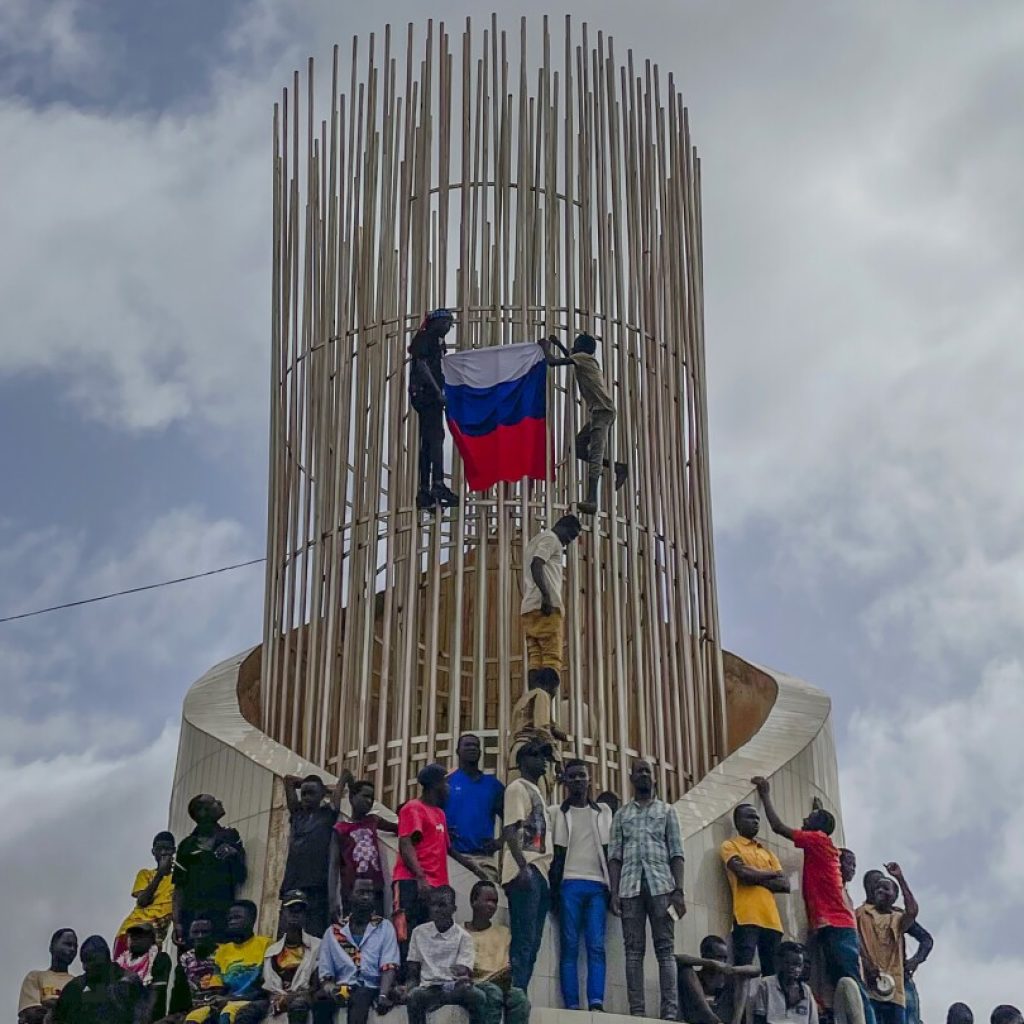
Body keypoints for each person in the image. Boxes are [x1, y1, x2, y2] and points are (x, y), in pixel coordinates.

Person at [751, 777, 875, 1024]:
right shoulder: (822, 843)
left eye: (809, 818)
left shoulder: (817, 839)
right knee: (836, 978)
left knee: (850, 980)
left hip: (837, 925)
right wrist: (818, 810)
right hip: (831, 926)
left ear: (818, 827)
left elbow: (778, 827)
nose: (804, 820)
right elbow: (820, 824)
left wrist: (765, 794)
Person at [609, 758, 686, 1020]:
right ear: (631, 778)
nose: (643, 775)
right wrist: (614, 892)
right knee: (633, 951)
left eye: (647, 772)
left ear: (654, 778)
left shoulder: (667, 811)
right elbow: (615, 856)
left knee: (665, 950)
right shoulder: (621, 815)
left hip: (662, 887)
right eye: (638, 772)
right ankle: (637, 1013)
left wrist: (679, 890)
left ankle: (669, 1014)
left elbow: (677, 853)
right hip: (629, 889)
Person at [393, 763, 488, 948]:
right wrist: (421, 878)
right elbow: (406, 844)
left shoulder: (439, 814)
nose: (449, 788)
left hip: (436, 887)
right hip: (412, 883)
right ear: (436, 785)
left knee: (430, 936)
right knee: (407, 933)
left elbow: (448, 849)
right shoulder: (413, 808)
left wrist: (475, 869)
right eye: (446, 783)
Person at [550, 758, 613, 1011]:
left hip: (598, 886)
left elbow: (613, 851)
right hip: (568, 885)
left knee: (596, 945)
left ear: (590, 779)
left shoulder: (604, 812)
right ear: (565, 781)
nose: (578, 780)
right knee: (570, 946)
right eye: (572, 776)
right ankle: (572, 1004)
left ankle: (596, 1002)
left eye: (582, 775)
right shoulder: (556, 813)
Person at [539, 333, 626, 514]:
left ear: (581, 347)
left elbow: (553, 362)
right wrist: (559, 344)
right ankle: (617, 467)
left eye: (575, 343)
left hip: (603, 412)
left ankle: (592, 500)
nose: (573, 346)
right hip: (599, 412)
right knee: (577, 448)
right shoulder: (584, 359)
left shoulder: (582, 358)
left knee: (595, 453)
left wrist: (545, 347)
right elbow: (569, 357)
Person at [501, 738, 554, 992]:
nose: (543, 761)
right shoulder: (517, 788)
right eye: (536, 755)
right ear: (522, 761)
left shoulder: (538, 793)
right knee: (524, 938)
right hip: (527, 870)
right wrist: (522, 867)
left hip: (540, 872)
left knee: (533, 941)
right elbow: (510, 828)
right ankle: (515, 992)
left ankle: (520, 990)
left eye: (544, 756)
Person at [314, 876, 401, 1024]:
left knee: (360, 996)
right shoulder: (334, 932)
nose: (366, 897)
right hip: (343, 988)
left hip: (372, 987)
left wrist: (383, 995)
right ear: (349, 895)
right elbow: (326, 974)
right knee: (319, 1002)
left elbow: (389, 966)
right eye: (361, 892)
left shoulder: (384, 927)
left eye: (370, 893)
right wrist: (331, 990)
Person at [720, 803, 789, 976]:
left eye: (757, 818)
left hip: (772, 920)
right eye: (750, 817)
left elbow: (785, 885)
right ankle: (741, 1004)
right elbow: (742, 873)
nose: (755, 821)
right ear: (737, 821)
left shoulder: (768, 853)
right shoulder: (730, 845)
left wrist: (755, 876)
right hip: (746, 917)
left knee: (772, 974)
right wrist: (771, 874)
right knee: (743, 969)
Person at [517, 514, 582, 695]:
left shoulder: (536, 540)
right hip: (546, 607)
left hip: (529, 608)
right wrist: (546, 596)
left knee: (535, 658)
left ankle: (533, 702)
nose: (570, 540)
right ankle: (544, 711)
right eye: (572, 534)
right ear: (562, 526)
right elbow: (537, 564)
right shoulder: (551, 539)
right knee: (552, 659)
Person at [405, 886, 487, 1024]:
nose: (436, 910)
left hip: (455, 989)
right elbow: (413, 970)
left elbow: (464, 971)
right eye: (433, 905)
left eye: (442, 905)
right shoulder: (418, 933)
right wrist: (408, 987)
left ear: (453, 909)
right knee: (414, 996)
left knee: (479, 996)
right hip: (429, 989)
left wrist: (462, 977)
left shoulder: (464, 937)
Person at [173, 794, 247, 943]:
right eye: (214, 802)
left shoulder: (231, 836)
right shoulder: (186, 846)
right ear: (202, 813)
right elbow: (179, 888)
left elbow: (241, 875)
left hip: (221, 916)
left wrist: (234, 854)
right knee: (191, 962)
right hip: (192, 919)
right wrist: (177, 923)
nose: (219, 802)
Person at [408, 308, 459, 510]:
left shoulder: (434, 341)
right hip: (426, 396)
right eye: (446, 323)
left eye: (450, 324)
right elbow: (421, 366)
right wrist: (438, 391)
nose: (448, 327)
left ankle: (424, 490)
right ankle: (437, 483)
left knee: (428, 442)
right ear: (436, 322)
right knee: (436, 437)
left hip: (426, 395)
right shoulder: (426, 337)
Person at [856, 864, 918, 1024]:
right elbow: (855, 940)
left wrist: (900, 879)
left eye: (885, 888)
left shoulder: (897, 918)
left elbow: (912, 911)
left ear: (894, 895)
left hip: (895, 993)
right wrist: (867, 963)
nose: (880, 891)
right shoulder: (861, 914)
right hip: (869, 987)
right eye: (877, 888)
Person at [329, 777, 396, 921]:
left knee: (377, 928)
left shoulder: (373, 820)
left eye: (371, 798)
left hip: (375, 889)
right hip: (351, 891)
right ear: (352, 798)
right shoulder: (340, 829)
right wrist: (332, 900)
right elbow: (333, 866)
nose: (369, 801)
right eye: (365, 796)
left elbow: (399, 828)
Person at [464, 880, 530, 1024]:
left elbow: (505, 966)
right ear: (473, 901)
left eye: (495, 902)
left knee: (519, 997)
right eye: (487, 900)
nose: (492, 906)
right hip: (473, 985)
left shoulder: (503, 932)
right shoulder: (460, 933)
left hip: (499, 984)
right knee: (492, 992)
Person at [280, 774, 339, 936]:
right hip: (293, 882)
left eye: (311, 793)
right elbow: (288, 780)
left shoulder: (328, 814)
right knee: (288, 932)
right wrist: (304, 783)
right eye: (304, 793)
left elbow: (343, 782)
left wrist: (326, 789)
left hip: (317, 884)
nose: (306, 797)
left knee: (315, 933)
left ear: (321, 795)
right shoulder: (297, 814)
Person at [446, 733, 505, 882]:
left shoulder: (493, 785)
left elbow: (513, 819)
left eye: (476, 746)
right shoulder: (446, 783)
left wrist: (499, 842)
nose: (472, 748)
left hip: (483, 859)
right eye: (467, 745)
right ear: (457, 751)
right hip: (452, 857)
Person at [53, 935, 145, 1024]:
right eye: (83, 961)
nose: (85, 967)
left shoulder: (128, 983)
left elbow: (143, 1016)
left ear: (105, 959)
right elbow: (56, 1018)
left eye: (90, 959)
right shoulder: (75, 987)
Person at [115, 831, 177, 957]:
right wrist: (160, 874)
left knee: (147, 975)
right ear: (153, 852)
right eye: (160, 849)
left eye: (167, 849)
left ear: (174, 851)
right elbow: (142, 901)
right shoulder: (146, 874)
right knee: (122, 974)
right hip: (131, 932)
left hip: (154, 938)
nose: (164, 853)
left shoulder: (179, 878)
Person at [262, 890, 321, 1023]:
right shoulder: (271, 951)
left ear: (306, 916)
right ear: (281, 914)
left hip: (303, 1002)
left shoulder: (318, 946)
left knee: (298, 1005)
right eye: (291, 910)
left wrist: (294, 997)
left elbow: (316, 985)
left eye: (299, 911)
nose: (295, 915)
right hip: (276, 1004)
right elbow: (268, 987)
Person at [676, 935, 759, 1024]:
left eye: (725, 958)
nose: (723, 961)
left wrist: (733, 969)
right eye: (719, 957)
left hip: (726, 1020)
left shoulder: (728, 977)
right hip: (701, 1019)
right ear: (705, 956)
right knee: (686, 971)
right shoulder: (695, 977)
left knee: (743, 978)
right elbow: (676, 958)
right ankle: (711, 1018)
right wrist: (711, 963)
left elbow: (756, 970)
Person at [213, 899, 273, 1022]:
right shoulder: (222, 952)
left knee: (228, 1015)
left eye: (237, 918)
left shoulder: (266, 945)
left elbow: (266, 988)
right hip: (228, 1001)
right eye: (230, 919)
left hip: (255, 1000)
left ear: (252, 921)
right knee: (194, 1018)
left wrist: (231, 1000)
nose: (232, 922)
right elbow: (218, 988)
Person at [170, 916, 225, 1020]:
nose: (200, 936)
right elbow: (180, 992)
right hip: (193, 1010)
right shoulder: (185, 958)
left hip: (219, 1007)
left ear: (213, 934)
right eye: (195, 932)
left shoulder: (224, 952)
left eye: (205, 932)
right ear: (190, 935)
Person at [18, 928, 78, 1024]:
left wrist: (49, 1004)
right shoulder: (35, 977)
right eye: (67, 944)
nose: (72, 949)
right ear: (52, 947)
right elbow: (31, 1013)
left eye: (75, 946)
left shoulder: (78, 983)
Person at [750, 942, 819, 1024]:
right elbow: (759, 1017)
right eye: (788, 963)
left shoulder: (806, 990)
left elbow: (813, 1021)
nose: (794, 968)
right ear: (780, 963)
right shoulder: (766, 984)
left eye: (798, 965)